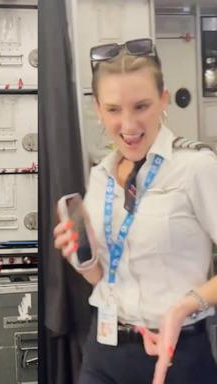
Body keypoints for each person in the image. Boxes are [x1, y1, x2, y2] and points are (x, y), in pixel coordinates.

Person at [54, 38, 217, 384]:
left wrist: (183, 306)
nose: (128, 125)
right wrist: (82, 260)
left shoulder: (196, 168)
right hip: (104, 347)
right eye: (113, 110)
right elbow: (106, 276)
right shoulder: (100, 176)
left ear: (163, 99)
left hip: (177, 352)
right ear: (97, 109)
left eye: (141, 106)